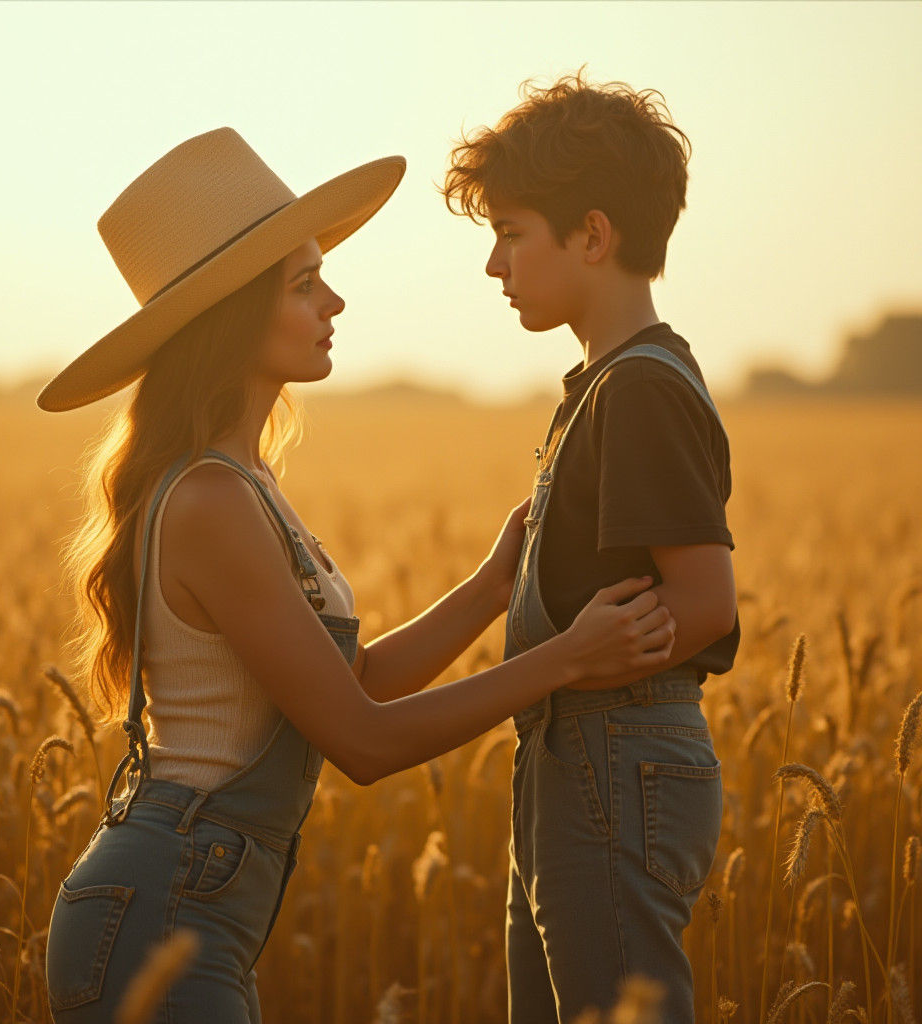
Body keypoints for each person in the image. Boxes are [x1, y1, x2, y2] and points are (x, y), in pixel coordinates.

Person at [39, 127, 677, 1024]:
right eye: (304, 285)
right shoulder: (211, 501)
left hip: (191, 903)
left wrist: (492, 586)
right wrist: (568, 658)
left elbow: (357, 680)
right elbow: (364, 742)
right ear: (234, 316)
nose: (334, 300)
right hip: (161, 909)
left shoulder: (244, 482)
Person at [443, 71, 739, 1023]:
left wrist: (579, 661)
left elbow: (706, 602)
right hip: (579, 760)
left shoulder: (639, 388)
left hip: (617, 758)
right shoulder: (603, 385)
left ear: (594, 236)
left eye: (511, 233)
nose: (494, 265)